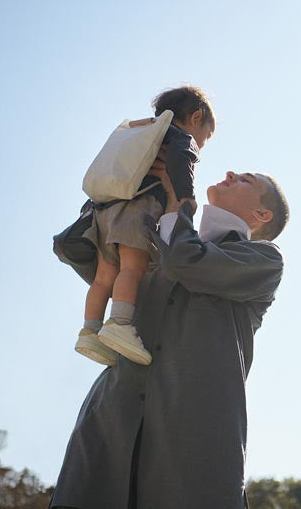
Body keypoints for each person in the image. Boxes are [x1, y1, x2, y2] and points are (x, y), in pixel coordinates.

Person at [50, 165, 290, 509]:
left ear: (261, 215)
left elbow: (185, 261)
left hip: (191, 435)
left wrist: (178, 200)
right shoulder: (160, 236)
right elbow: (75, 251)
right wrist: (120, 194)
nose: (232, 172)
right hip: (112, 418)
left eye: (247, 180)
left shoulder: (263, 259)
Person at [76, 86, 216, 367]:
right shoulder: (180, 137)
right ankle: (120, 323)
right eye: (206, 137)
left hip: (103, 212)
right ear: (196, 118)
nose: (201, 144)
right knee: (132, 268)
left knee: (105, 277)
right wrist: (187, 198)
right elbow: (180, 161)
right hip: (137, 208)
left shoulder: (141, 131)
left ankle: (89, 331)